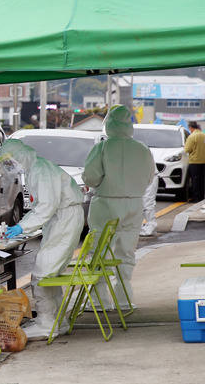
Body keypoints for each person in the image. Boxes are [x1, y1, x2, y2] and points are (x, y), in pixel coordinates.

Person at [0, 139, 85, 340]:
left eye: (10, 161)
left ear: (21, 155)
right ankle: (57, 321)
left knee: (43, 272)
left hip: (64, 219)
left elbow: (46, 206)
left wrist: (22, 227)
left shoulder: (39, 171)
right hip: (62, 218)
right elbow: (40, 207)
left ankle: (46, 323)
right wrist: (22, 225)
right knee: (50, 273)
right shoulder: (35, 168)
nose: (10, 166)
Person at [83, 105, 155, 310]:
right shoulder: (142, 148)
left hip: (106, 201)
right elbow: (149, 177)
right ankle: (124, 300)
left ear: (110, 124)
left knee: (99, 251)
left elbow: (90, 176)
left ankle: (99, 301)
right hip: (134, 202)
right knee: (127, 252)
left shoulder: (102, 148)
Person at [184, 121, 205, 202]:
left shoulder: (192, 137)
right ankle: (201, 197)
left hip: (195, 161)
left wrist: (185, 147)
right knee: (202, 180)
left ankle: (195, 198)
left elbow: (187, 149)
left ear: (191, 128)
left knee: (195, 180)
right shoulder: (203, 135)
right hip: (203, 161)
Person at [140, 168, 159, 236]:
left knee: (147, 203)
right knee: (139, 204)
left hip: (150, 176)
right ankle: (139, 227)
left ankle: (151, 227)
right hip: (137, 177)